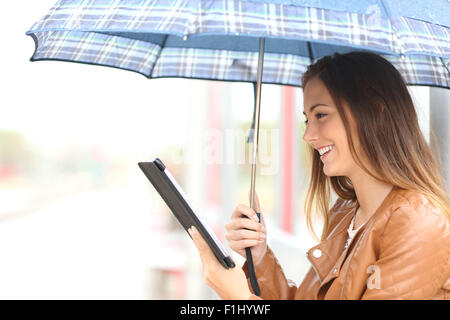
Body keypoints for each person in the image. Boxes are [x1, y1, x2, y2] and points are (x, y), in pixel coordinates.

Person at [188, 51, 450, 300]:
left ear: (375, 110)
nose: (308, 135)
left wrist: (240, 297)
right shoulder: (344, 213)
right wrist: (259, 257)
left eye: (321, 115)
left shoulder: (418, 223)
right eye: (307, 119)